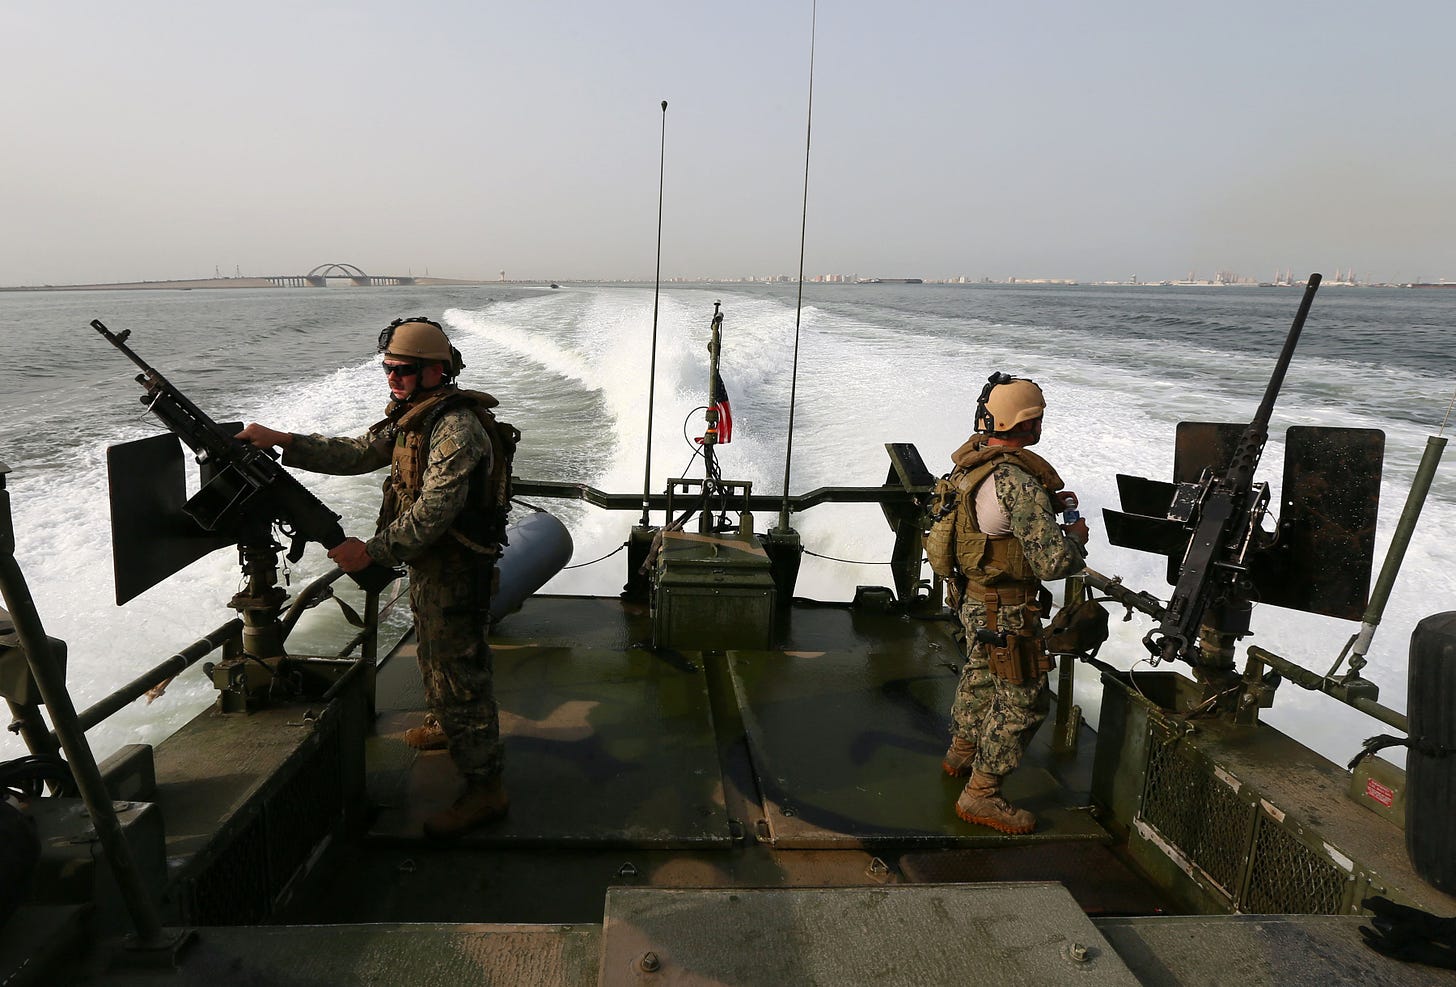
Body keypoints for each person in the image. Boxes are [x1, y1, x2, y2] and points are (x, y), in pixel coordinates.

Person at [237, 317, 507, 840]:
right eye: (387, 369)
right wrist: (283, 439)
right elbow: (359, 452)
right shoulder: (415, 417)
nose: (392, 379)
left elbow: (435, 511)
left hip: (455, 571)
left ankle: (485, 787)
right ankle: (447, 729)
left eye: (403, 371)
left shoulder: (455, 428)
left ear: (436, 372)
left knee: (460, 675)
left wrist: (373, 551)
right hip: (432, 567)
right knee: (433, 655)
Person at [935, 372, 1089, 834]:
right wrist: (1074, 539)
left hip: (975, 598)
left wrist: (1043, 505)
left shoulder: (972, 463)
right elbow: (1052, 563)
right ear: (1031, 423)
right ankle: (981, 795)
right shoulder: (1017, 481)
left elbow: (990, 523)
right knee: (1024, 702)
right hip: (1008, 610)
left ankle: (961, 753)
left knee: (980, 674)